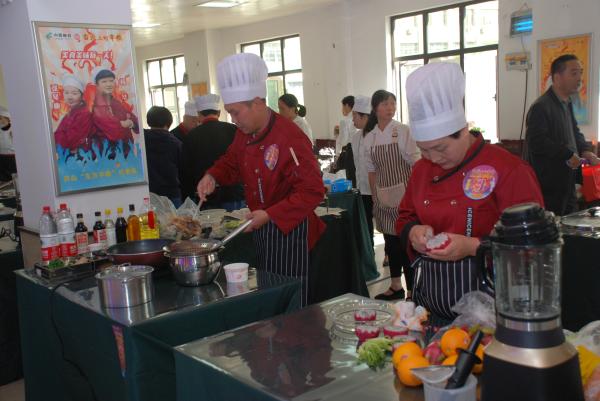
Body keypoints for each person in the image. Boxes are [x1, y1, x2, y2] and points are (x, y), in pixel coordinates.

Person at [397, 62, 544, 322]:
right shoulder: (421, 170)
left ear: (464, 130)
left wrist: (473, 246)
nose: (433, 158)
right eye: (424, 150)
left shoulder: (508, 169)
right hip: (430, 308)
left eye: (440, 148)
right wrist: (413, 232)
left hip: (491, 313)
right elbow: (405, 217)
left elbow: (533, 242)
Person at [197, 53, 325, 306]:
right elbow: (232, 161)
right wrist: (213, 175)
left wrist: (270, 215)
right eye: (230, 113)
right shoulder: (244, 133)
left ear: (257, 103)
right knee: (270, 297)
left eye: (236, 113)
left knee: (291, 304)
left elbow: (312, 191)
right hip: (263, 228)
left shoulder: (290, 137)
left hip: (292, 234)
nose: (233, 120)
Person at [526, 54, 600, 216]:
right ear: (557, 78)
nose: (579, 78)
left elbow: (575, 131)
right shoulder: (541, 106)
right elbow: (537, 141)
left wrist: (585, 151)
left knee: (571, 222)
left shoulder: (567, 102)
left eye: (580, 73)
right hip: (549, 184)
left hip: (568, 180)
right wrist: (567, 154)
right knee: (555, 225)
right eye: (574, 73)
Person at [364, 90, 419, 301]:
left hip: (404, 198)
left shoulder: (403, 130)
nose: (390, 108)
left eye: (393, 104)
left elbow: (416, 164)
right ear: (375, 108)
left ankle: (412, 291)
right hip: (383, 199)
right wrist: (375, 197)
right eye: (385, 104)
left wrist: (414, 196)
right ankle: (396, 286)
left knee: (406, 244)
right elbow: (371, 171)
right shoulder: (370, 137)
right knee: (390, 243)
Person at [180, 93, 245, 210]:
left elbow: (186, 170)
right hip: (234, 194)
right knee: (236, 222)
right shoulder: (234, 130)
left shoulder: (191, 136)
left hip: (206, 196)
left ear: (199, 115)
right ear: (219, 113)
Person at [92, 68, 139, 157]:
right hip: (108, 154)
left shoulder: (116, 102)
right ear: (97, 85)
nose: (109, 84)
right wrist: (124, 123)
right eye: (104, 81)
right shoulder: (97, 107)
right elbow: (114, 131)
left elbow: (135, 121)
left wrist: (130, 123)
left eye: (111, 81)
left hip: (125, 152)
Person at [144, 106, 182, 207]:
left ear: (148, 121)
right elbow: (183, 170)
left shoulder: (142, 140)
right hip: (172, 194)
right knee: (174, 217)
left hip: (149, 194)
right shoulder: (176, 143)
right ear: (169, 122)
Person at [350, 95, 374, 245]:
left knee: (384, 223)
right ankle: (369, 250)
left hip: (376, 189)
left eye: (354, 116)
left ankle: (388, 253)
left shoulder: (376, 135)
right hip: (362, 188)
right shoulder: (355, 137)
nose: (352, 119)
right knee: (366, 224)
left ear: (364, 116)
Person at [54, 75, 94, 156]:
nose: (70, 97)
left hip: (80, 155)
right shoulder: (70, 113)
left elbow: (74, 139)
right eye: (66, 93)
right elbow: (59, 132)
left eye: (74, 93)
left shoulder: (84, 114)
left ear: (82, 96)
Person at [0, 106, 16, 182]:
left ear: (7, 118)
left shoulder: (15, 128)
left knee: (16, 179)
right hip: (2, 158)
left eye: (0, 118)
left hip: (13, 158)